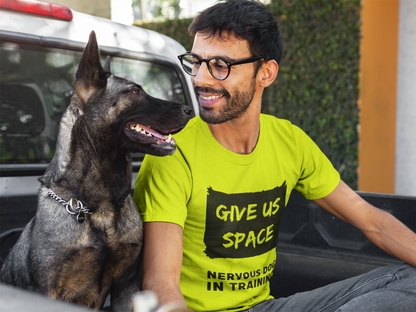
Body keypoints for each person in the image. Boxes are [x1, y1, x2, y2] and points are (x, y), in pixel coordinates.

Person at [133, 1, 416, 311]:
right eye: (197, 62)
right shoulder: (173, 153)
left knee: (407, 278)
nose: (201, 79)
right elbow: (161, 285)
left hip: (265, 307)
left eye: (220, 65)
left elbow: (373, 221)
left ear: (265, 73)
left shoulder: (289, 142)